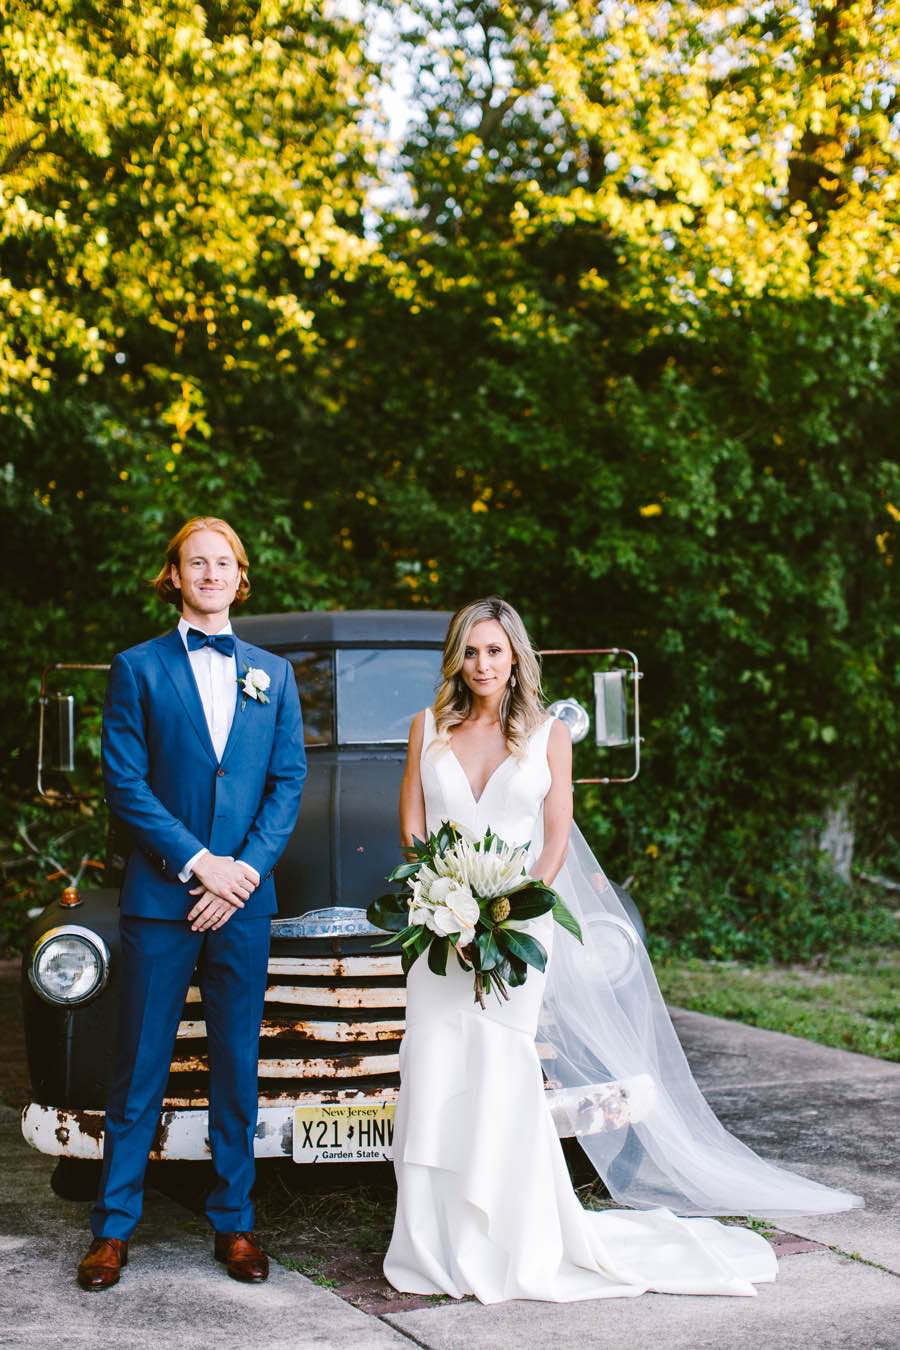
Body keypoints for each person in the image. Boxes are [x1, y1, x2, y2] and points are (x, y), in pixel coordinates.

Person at [384, 596, 861, 1305]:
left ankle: (510, 1239)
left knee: (499, 1070)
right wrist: (447, 906)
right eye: (470, 651)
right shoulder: (429, 728)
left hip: (517, 928)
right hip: (440, 929)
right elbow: (414, 830)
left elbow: (552, 842)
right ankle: (433, 1241)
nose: (482, 664)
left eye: (494, 650)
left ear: (516, 656)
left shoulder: (548, 735)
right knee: (434, 1064)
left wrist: (502, 914)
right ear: (456, 658)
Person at [77, 516, 306, 1291]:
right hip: (161, 900)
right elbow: (126, 786)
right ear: (173, 575)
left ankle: (235, 1223)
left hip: (242, 900)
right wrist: (200, 864)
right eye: (195, 562)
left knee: (237, 1065)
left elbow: (287, 781)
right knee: (138, 1066)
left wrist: (238, 874)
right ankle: (113, 1229)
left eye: (224, 563)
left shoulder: (273, 673)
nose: (210, 574)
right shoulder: (136, 668)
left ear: (242, 577)